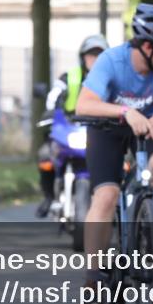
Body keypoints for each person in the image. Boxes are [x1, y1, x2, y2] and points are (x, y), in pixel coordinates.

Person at [75, 4, 153, 304]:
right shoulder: (112, 60)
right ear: (148, 46)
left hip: (149, 126)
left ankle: (148, 223)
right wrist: (124, 111)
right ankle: (94, 279)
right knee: (106, 195)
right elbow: (84, 104)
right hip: (107, 128)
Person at [35, 34, 108, 218]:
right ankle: (48, 196)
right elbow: (54, 94)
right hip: (70, 128)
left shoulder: (112, 78)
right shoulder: (70, 77)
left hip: (103, 131)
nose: (95, 59)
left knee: (124, 161)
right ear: (83, 57)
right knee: (45, 156)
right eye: (91, 55)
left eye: (99, 55)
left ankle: (123, 204)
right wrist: (50, 111)